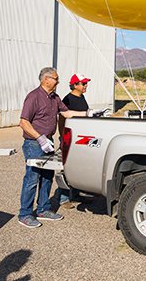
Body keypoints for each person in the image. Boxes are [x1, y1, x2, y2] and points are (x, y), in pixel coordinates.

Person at [18, 67, 103, 228]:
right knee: (32, 179)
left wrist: (88, 113)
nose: (58, 81)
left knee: (47, 177)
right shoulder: (34, 97)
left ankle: (43, 210)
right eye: (56, 78)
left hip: (47, 142)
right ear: (46, 79)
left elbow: (67, 113)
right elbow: (23, 122)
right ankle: (25, 214)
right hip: (34, 144)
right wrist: (39, 137)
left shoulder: (55, 98)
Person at [57, 73, 91, 209]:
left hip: (81, 138)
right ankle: (64, 198)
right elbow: (62, 119)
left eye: (86, 83)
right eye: (83, 84)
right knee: (67, 168)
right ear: (75, 85)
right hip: (70, 138)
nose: (86, 86)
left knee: (79, 167)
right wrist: (62, 138)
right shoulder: (67, 99)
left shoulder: (82, 97)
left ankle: (76, 194)